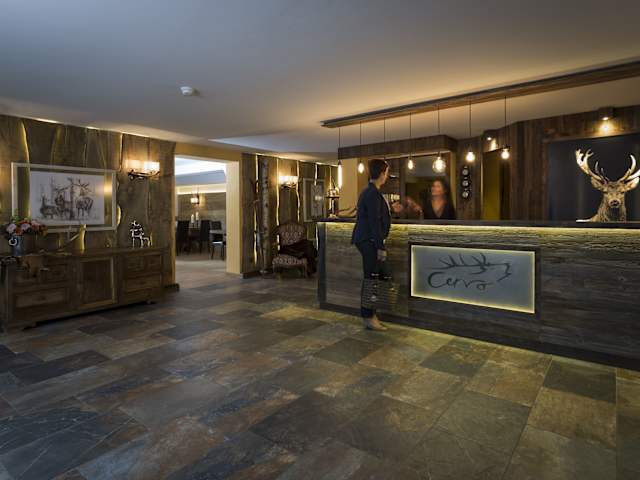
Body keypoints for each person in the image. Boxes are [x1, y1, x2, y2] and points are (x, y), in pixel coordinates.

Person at [351, 159, 391, 331]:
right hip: (369, 241)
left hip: (368, 240)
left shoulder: (369, 191)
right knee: (372, 278)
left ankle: (371, 315)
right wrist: (380, 247)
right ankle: (369, 317)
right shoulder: (372, 193)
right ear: (382, 173)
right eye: (386, 172)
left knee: (377, 277)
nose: (387, 176)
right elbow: (374, 221)